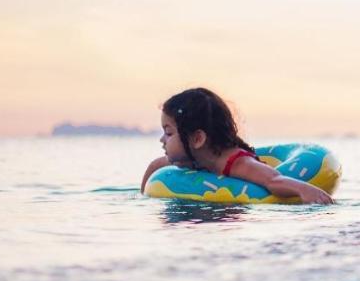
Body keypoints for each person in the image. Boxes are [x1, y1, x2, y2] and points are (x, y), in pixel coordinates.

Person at [140, 87, 334, 204]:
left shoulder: (236, 163)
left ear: (197, 139)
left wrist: (305, 190)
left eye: (168, 133)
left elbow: (274, 180)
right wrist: (143, 196)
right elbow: (155, 165)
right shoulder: (190, 159)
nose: (162, 140)